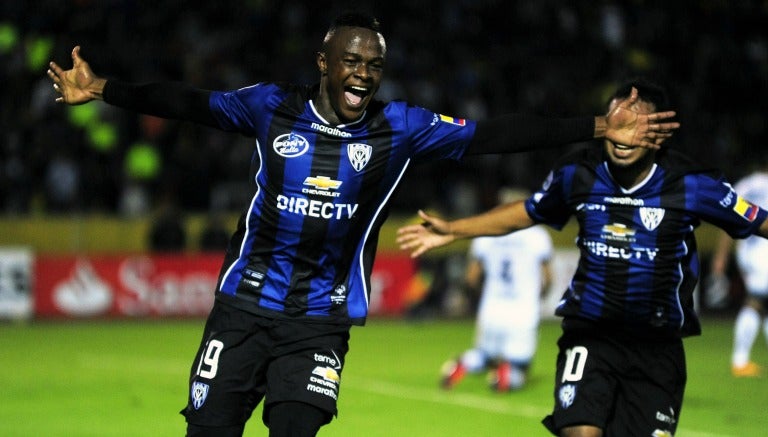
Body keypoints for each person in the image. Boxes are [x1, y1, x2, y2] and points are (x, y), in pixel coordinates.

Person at [47, 12, 680, 437]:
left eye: (374, 66)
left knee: (296, 427)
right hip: (241, 308)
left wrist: (599, 127)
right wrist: (105, 88)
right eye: (352, 62)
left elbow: (495, 137)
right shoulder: (271, 107)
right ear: (324, 62)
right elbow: (187, 104)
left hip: (319, 322)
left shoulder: (399, 128)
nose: (363, 75)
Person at [397, 78, 768, 436]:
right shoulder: (580, 174)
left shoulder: (690, 184)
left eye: (634, 123)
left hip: (657, 347)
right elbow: (528, 211)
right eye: (615, 121)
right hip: (591, 335)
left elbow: (757, 220)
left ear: (658, 133)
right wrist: (455, 229)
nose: (621, 134)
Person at [440, 187, 553, 392]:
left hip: (492, 307)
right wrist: (542, 295)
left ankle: (462, 364)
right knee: (521, 364)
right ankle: (505, 377)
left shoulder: (484, 233)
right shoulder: (537, 235)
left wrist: (477, 298)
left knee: (484, 354)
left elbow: (471, 277)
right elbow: (547, 278)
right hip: (523, 309)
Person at [709, 164, 768, 377]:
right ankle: (740, 361)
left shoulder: (745, 185)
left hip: (750, 252)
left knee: (761, 304)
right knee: (755, 302)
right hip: (763, 251)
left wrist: (722, 256)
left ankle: (741, 360)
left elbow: (728, 218)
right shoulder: (755, 184)